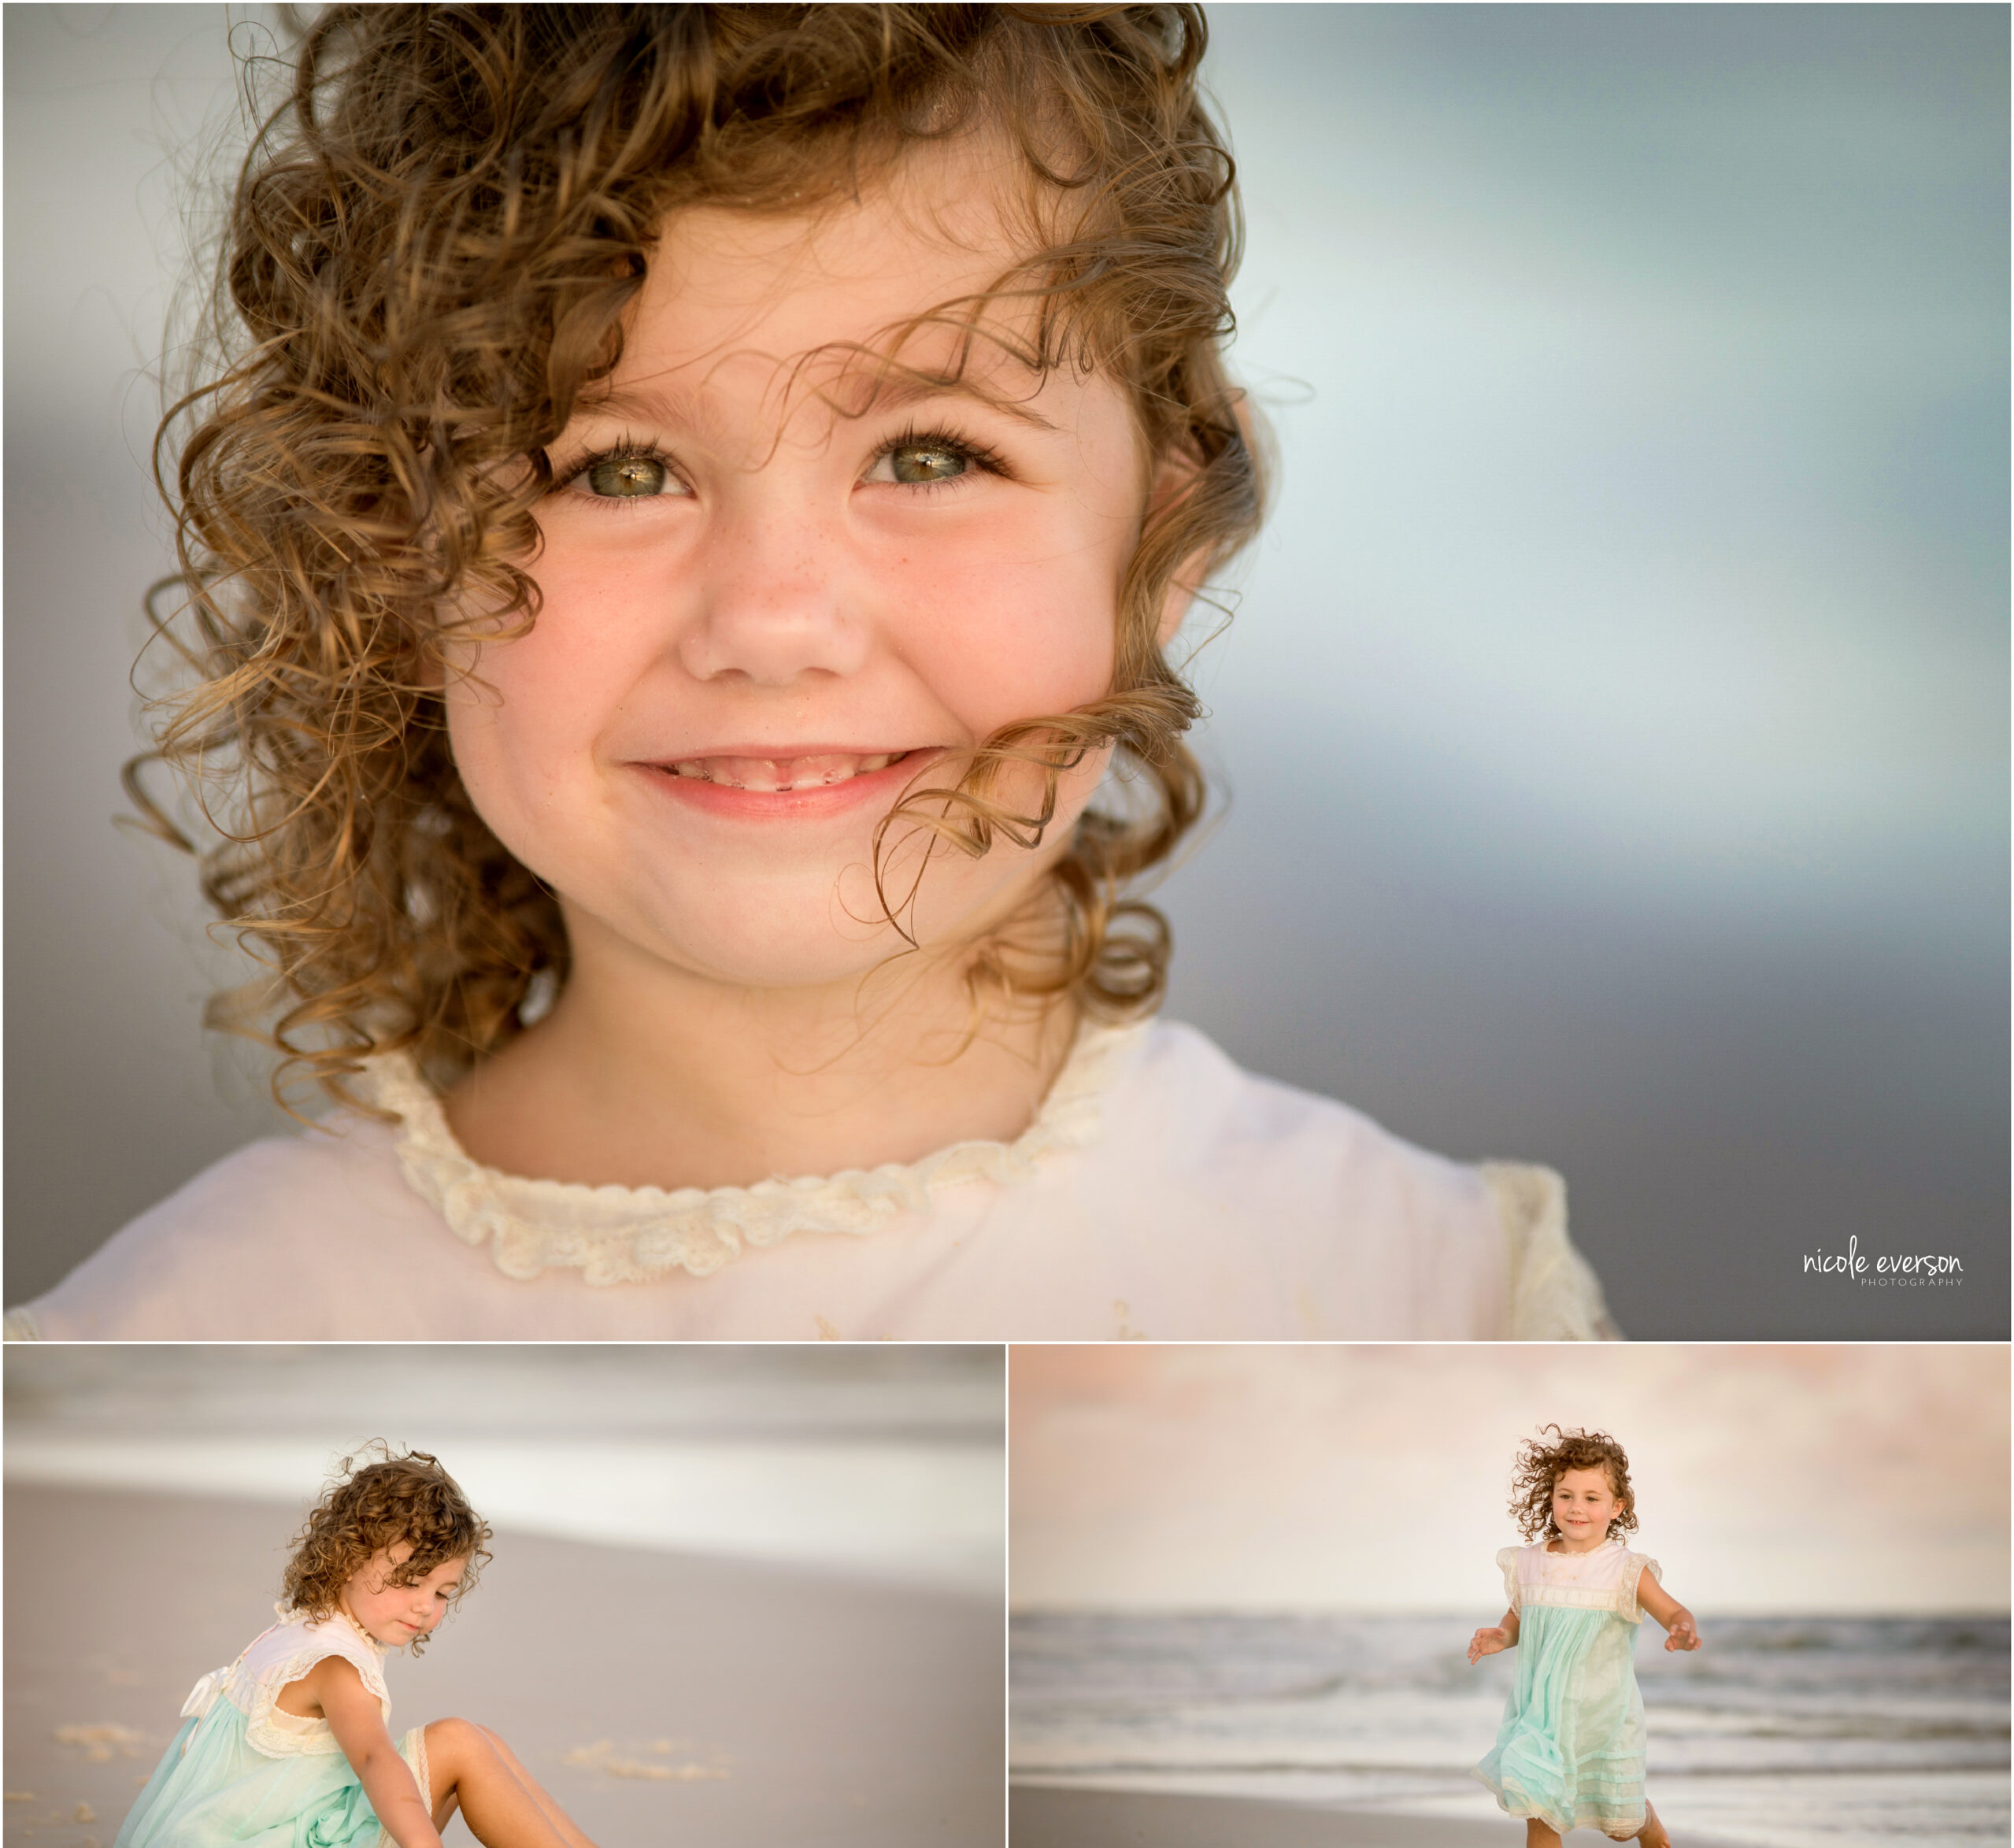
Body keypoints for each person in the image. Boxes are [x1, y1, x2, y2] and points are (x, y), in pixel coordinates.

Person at [8, 4, 1612, 1341]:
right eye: (612, 471)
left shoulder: (1419, 1292)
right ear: (387, 551)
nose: (773, 622)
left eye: (929, 450)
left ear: (1168, 531)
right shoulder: (168, 1334)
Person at [109, 1447, 709, 1848]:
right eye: (410, 1581)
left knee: (479, 1740)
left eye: (444, 1592)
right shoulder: (336, 1665)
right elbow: (373, 1757)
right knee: (459, 1743)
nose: (426, 1605)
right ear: (347, 1556)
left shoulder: (299, 1625)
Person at [1467, 1423, 1700, 1848]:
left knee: (1617, 1825)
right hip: (1540, 1718)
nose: (1577, 1507)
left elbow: (1669, 1609)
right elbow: (1520, 1618)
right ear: (1549, 1497)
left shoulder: (1625, 1570)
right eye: (1566, 1494)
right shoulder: (1533, 1563)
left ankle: (1643, 1819)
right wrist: (1499, 1637)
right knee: (1538, 1807)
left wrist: (1682, 1626)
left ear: (1617, 1507)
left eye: (1592, 1497)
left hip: (1602, 1713)